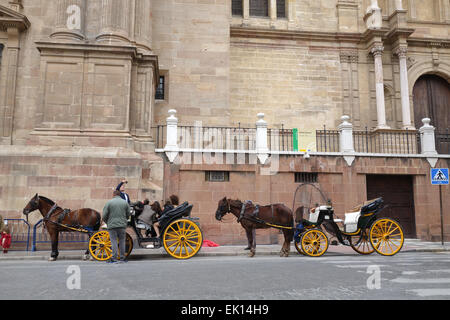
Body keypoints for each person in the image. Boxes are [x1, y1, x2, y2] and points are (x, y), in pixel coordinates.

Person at [102, 190, 131, 263]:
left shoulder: (109, 202)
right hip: (122, 225)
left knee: (114, 241)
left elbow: (104, 215)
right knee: (122, 241)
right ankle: (122, 257)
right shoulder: (125, 203)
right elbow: (128, 214)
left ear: (113, 195)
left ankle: (114, 258)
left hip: (112, 225)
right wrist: (125, 220)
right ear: (120, 195)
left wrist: (107, 222)